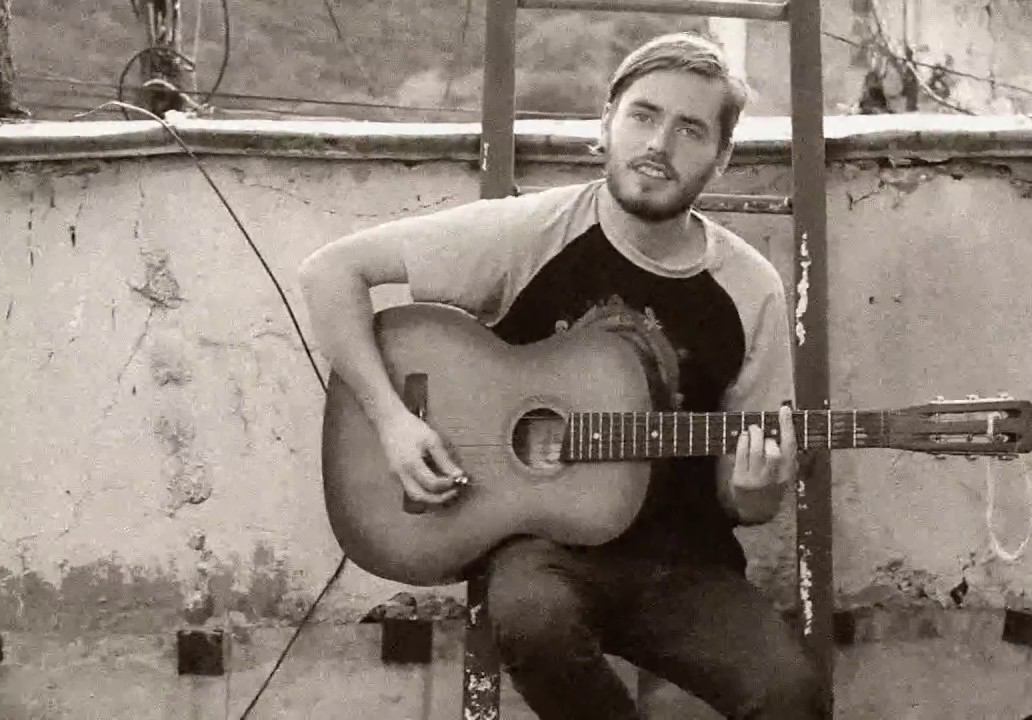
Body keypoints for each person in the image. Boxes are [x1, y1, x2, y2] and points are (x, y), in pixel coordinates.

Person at [299, 32, 827, 720]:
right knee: (533, 619)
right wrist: (393, 421)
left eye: (690, 129)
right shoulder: (533, 232)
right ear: (607, 123)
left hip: (683, 561)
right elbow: (330, 273)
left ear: (722, 156)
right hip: (543, 552)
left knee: (791, 696)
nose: (658, 144)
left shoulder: (750, 289)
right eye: (643, 115)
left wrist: (759, 490)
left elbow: (744, 501)